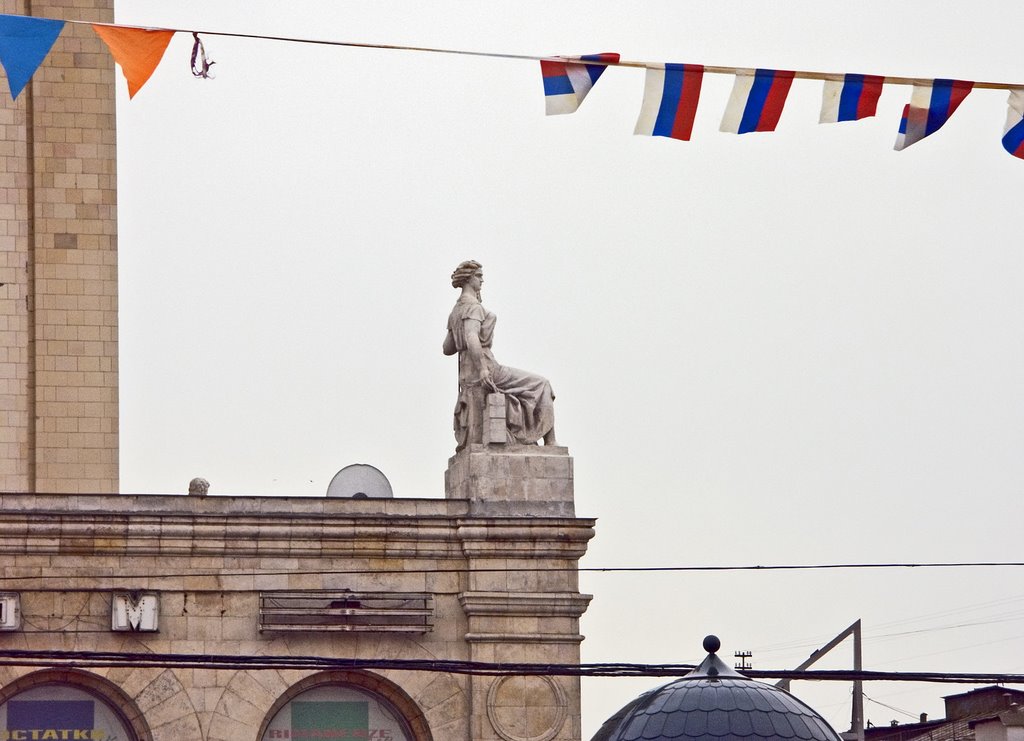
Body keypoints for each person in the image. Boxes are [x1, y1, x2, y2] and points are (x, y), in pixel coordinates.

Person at [443, 260, 557, 450]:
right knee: (542, 384)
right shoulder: (473, 307)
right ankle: (550, 441)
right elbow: (472, 339)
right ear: (468, 279)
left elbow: (447, 348)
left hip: (467, 374)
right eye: (478, 276)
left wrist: (457, 330)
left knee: (537, 385)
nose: (482, 280)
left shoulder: (456, 311)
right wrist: (482, 371)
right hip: (488, 368)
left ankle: (526, 434)